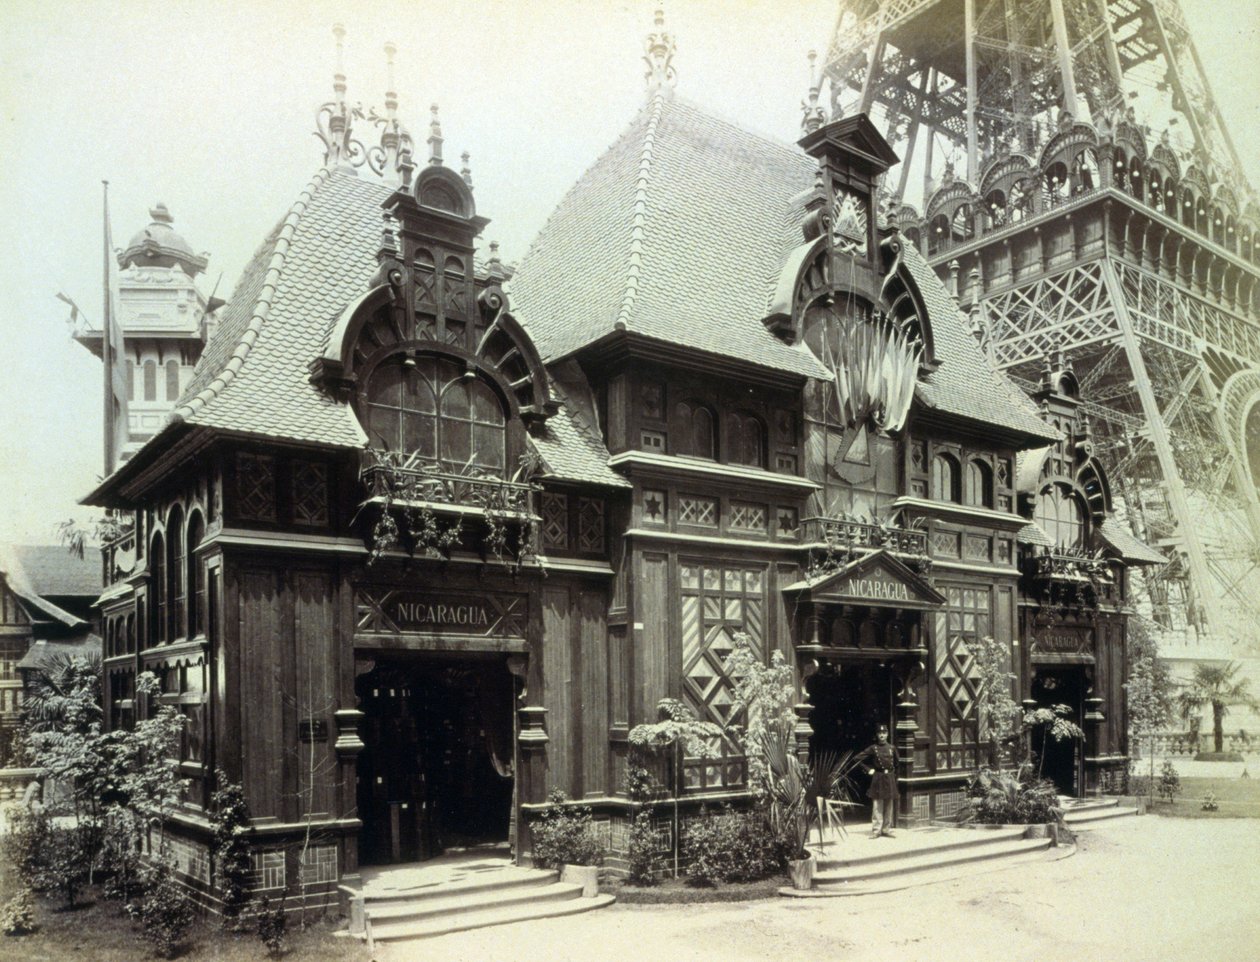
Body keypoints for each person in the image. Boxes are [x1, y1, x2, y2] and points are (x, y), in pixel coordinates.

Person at [857, 725, 898, 838]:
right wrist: (868, 769)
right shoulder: (873, 748)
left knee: (889, 804)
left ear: (887, 734)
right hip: (878, 777)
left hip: (889, 777)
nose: (882, 735)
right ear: (876, 735)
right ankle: (876, 830)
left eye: (884, 733)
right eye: (880, 733)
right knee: (877, 805)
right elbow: (857, 759)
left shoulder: (892, 748)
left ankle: (886, 829)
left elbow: (897, 764)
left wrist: (894, 778)